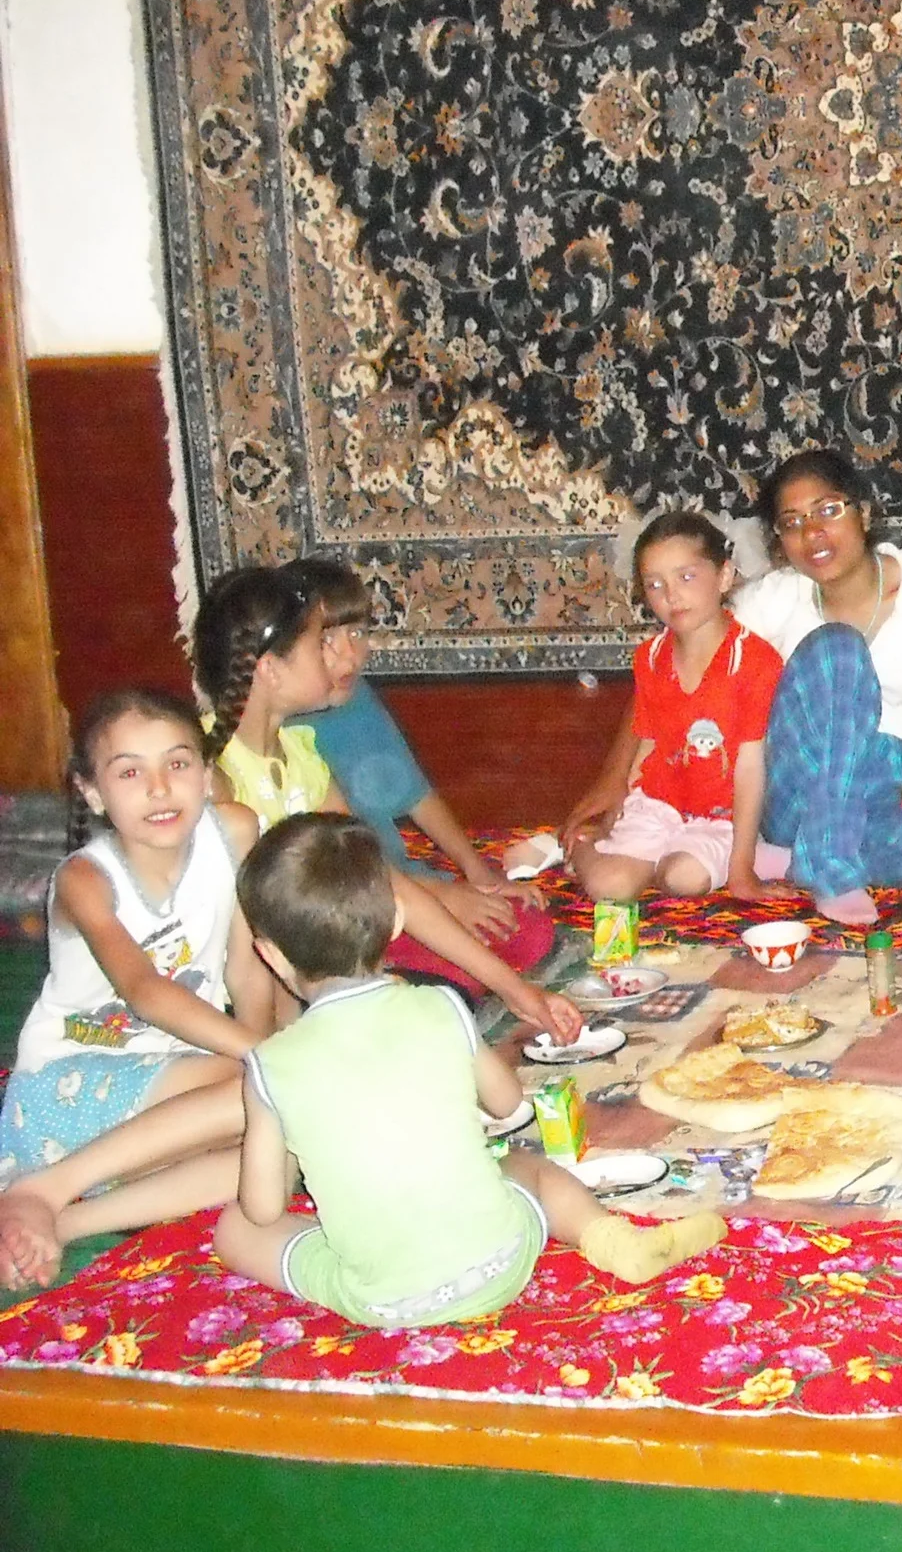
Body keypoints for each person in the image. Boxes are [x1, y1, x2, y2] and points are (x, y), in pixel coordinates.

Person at [208, 815, 726, 1324]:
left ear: (271, 956)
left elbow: (263, 1206)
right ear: (395, 922)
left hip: (385, 1301)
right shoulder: (439, 1006)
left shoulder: (269, 1065)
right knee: (531, 1169)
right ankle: (614, 1240)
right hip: (504, 1260)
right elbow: (507, 1104)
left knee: (235, 1227)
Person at [564, 455, 902, 926]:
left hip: (897, 779)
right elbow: (676, 674)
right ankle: (828, 865)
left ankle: (797, 860)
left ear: (863, 512)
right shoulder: (770, 600)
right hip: (797, 784)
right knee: (838, 650)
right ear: (779, 539)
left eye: (828, 511)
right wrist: (615, 776)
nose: (813, 533)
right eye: (792, 522)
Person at [190, 564, 579, 1032]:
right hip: (265, 983)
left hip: (341, 941)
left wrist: (518, 993)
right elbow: (246, 944)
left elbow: (380, 879)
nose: (335, 657)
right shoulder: (211, 775)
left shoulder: (303, 755)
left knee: (490, 956)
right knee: (439, 1001)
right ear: (271, 670)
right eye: (320, 645)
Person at [0, 691, 275, 1200]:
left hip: (184, 1077)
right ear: (92, 792)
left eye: (177, 763)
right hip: (68, 1084)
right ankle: (54, 1185)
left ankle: (67, 1213)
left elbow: (247, 970)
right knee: (262, 1096)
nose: (159, 788)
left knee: (281, 1151)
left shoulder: (236, 832)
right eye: (130, 773)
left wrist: (266, 1058)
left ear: (206, 772)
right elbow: (143, 989)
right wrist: (269, 1059)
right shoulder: (87, 879)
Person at [287, 556, 556, 963]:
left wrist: (479, 875)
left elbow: (413, 792)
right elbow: (345, 867)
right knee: (464, 962)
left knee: (526, 929)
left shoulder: (354, 698)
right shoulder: (286, 734)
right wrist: (445, 896)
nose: (350, 656)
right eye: (327, 640)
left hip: (403, 882)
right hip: (348, 900)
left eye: (357, 633)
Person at [561, 514, 799, 906]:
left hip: (720, 815)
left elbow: (751, 765)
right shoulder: (650, 658)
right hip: (657, 804)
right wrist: (611, 819)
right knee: (610, 886)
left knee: (684, 877)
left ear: (724, 576)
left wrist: (742, 869)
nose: (671, 596)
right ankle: (580, 850)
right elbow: (647, 742)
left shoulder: (755, 662)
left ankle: (670, 862)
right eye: (655, 585)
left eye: (686, 577)